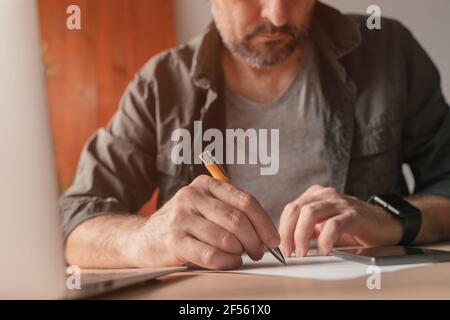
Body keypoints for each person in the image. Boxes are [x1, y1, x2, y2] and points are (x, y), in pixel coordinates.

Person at [61, 0, 450, 270]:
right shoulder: (161, 86)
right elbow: (71, 219)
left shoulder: (389, 52)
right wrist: (145, 237)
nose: (278, 16)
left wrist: (393, 219)